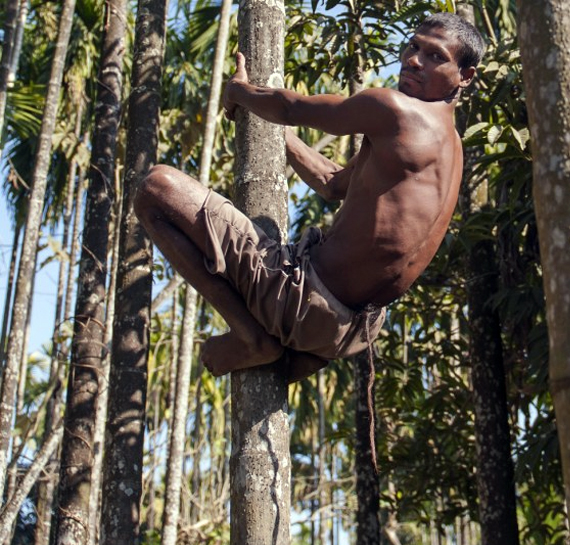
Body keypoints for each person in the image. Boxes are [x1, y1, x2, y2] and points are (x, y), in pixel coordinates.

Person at [134, 12, 485, 382]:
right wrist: (277, 137)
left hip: (299, 298)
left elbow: (290, 108)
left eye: (435, 56)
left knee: (155, 188)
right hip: (347, 333)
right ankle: (291, 346)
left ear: (465, 76)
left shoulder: (396, 110)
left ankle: (252, 337)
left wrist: (239, 92)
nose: (414, 60)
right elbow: (331, 182)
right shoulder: (448, 148)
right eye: (413, 47)